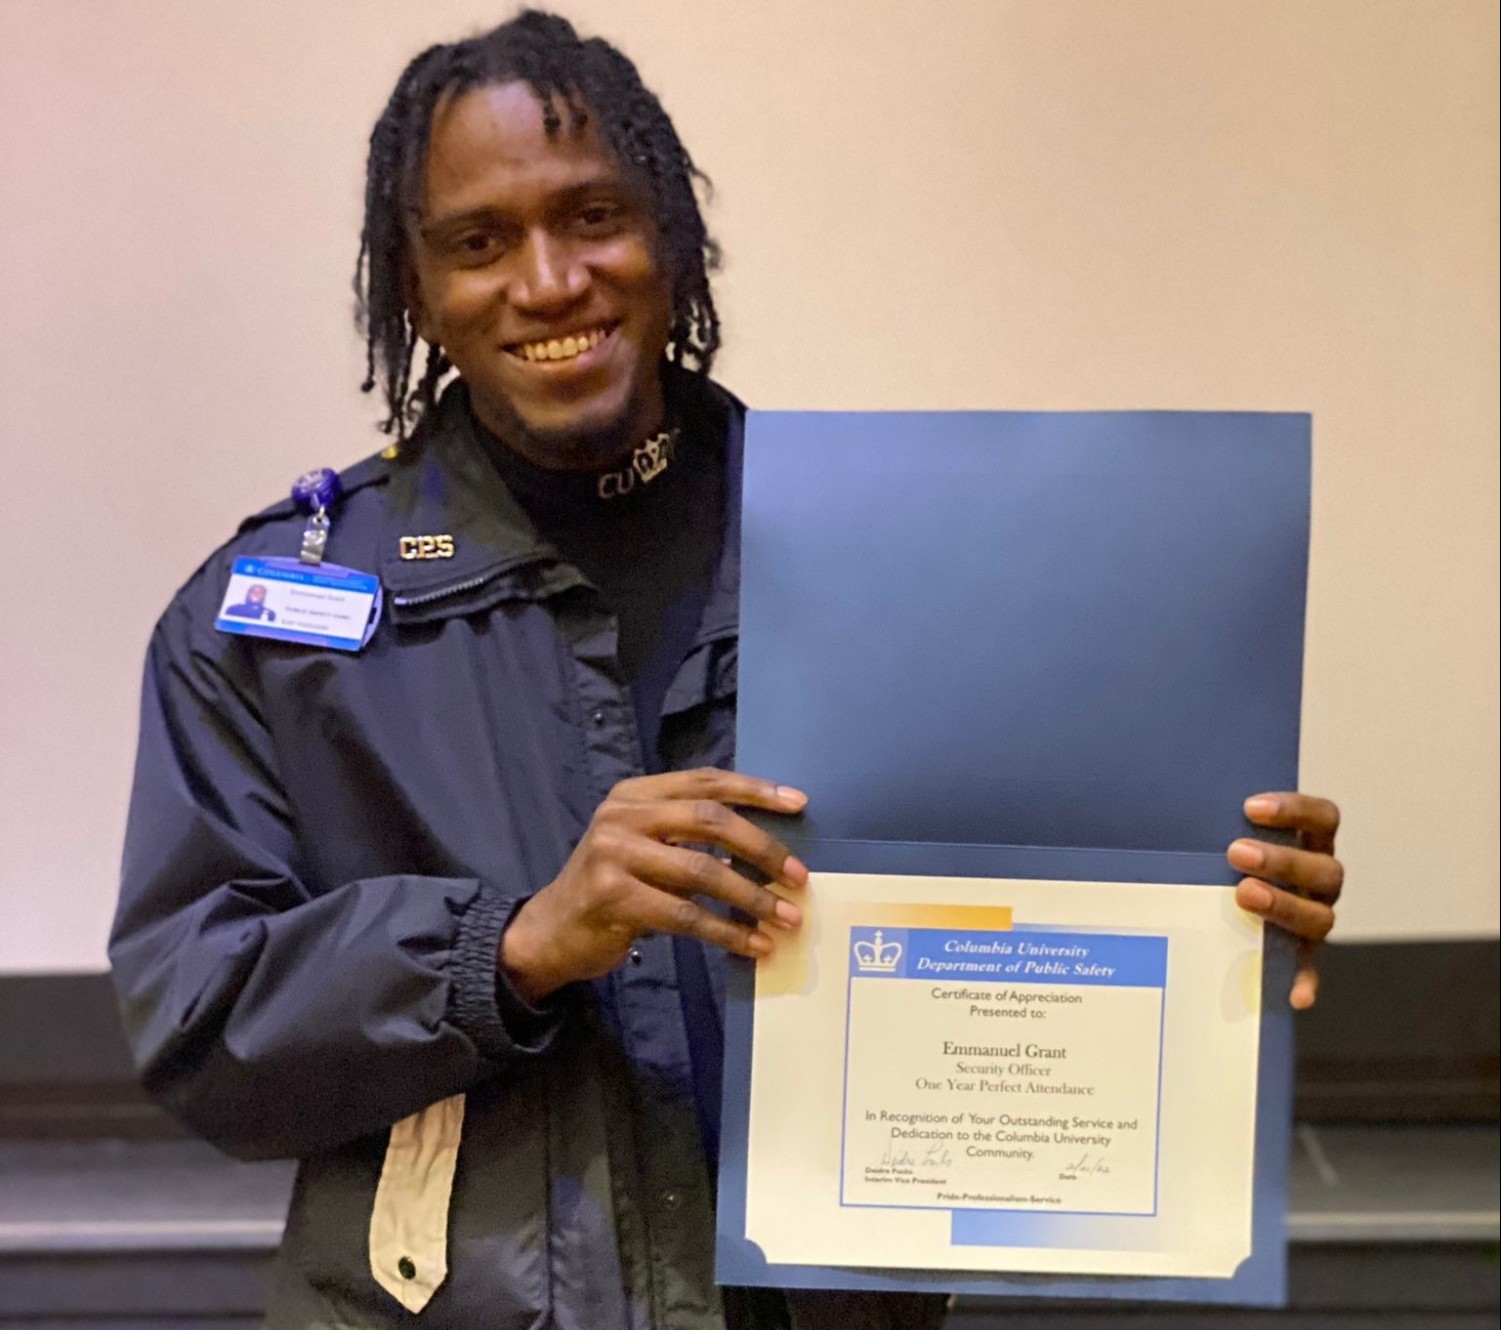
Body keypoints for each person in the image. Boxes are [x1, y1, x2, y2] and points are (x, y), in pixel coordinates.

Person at [109, 11, 1345, 1330]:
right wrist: (516, 942)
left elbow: (1038, 918)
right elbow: (202, 1025)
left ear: (670, 235)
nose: (547, 280)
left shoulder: (904, 560)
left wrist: (1217, 919)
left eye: (592, 215)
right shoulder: (271, 626)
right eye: (479, 241)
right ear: (414, 289)